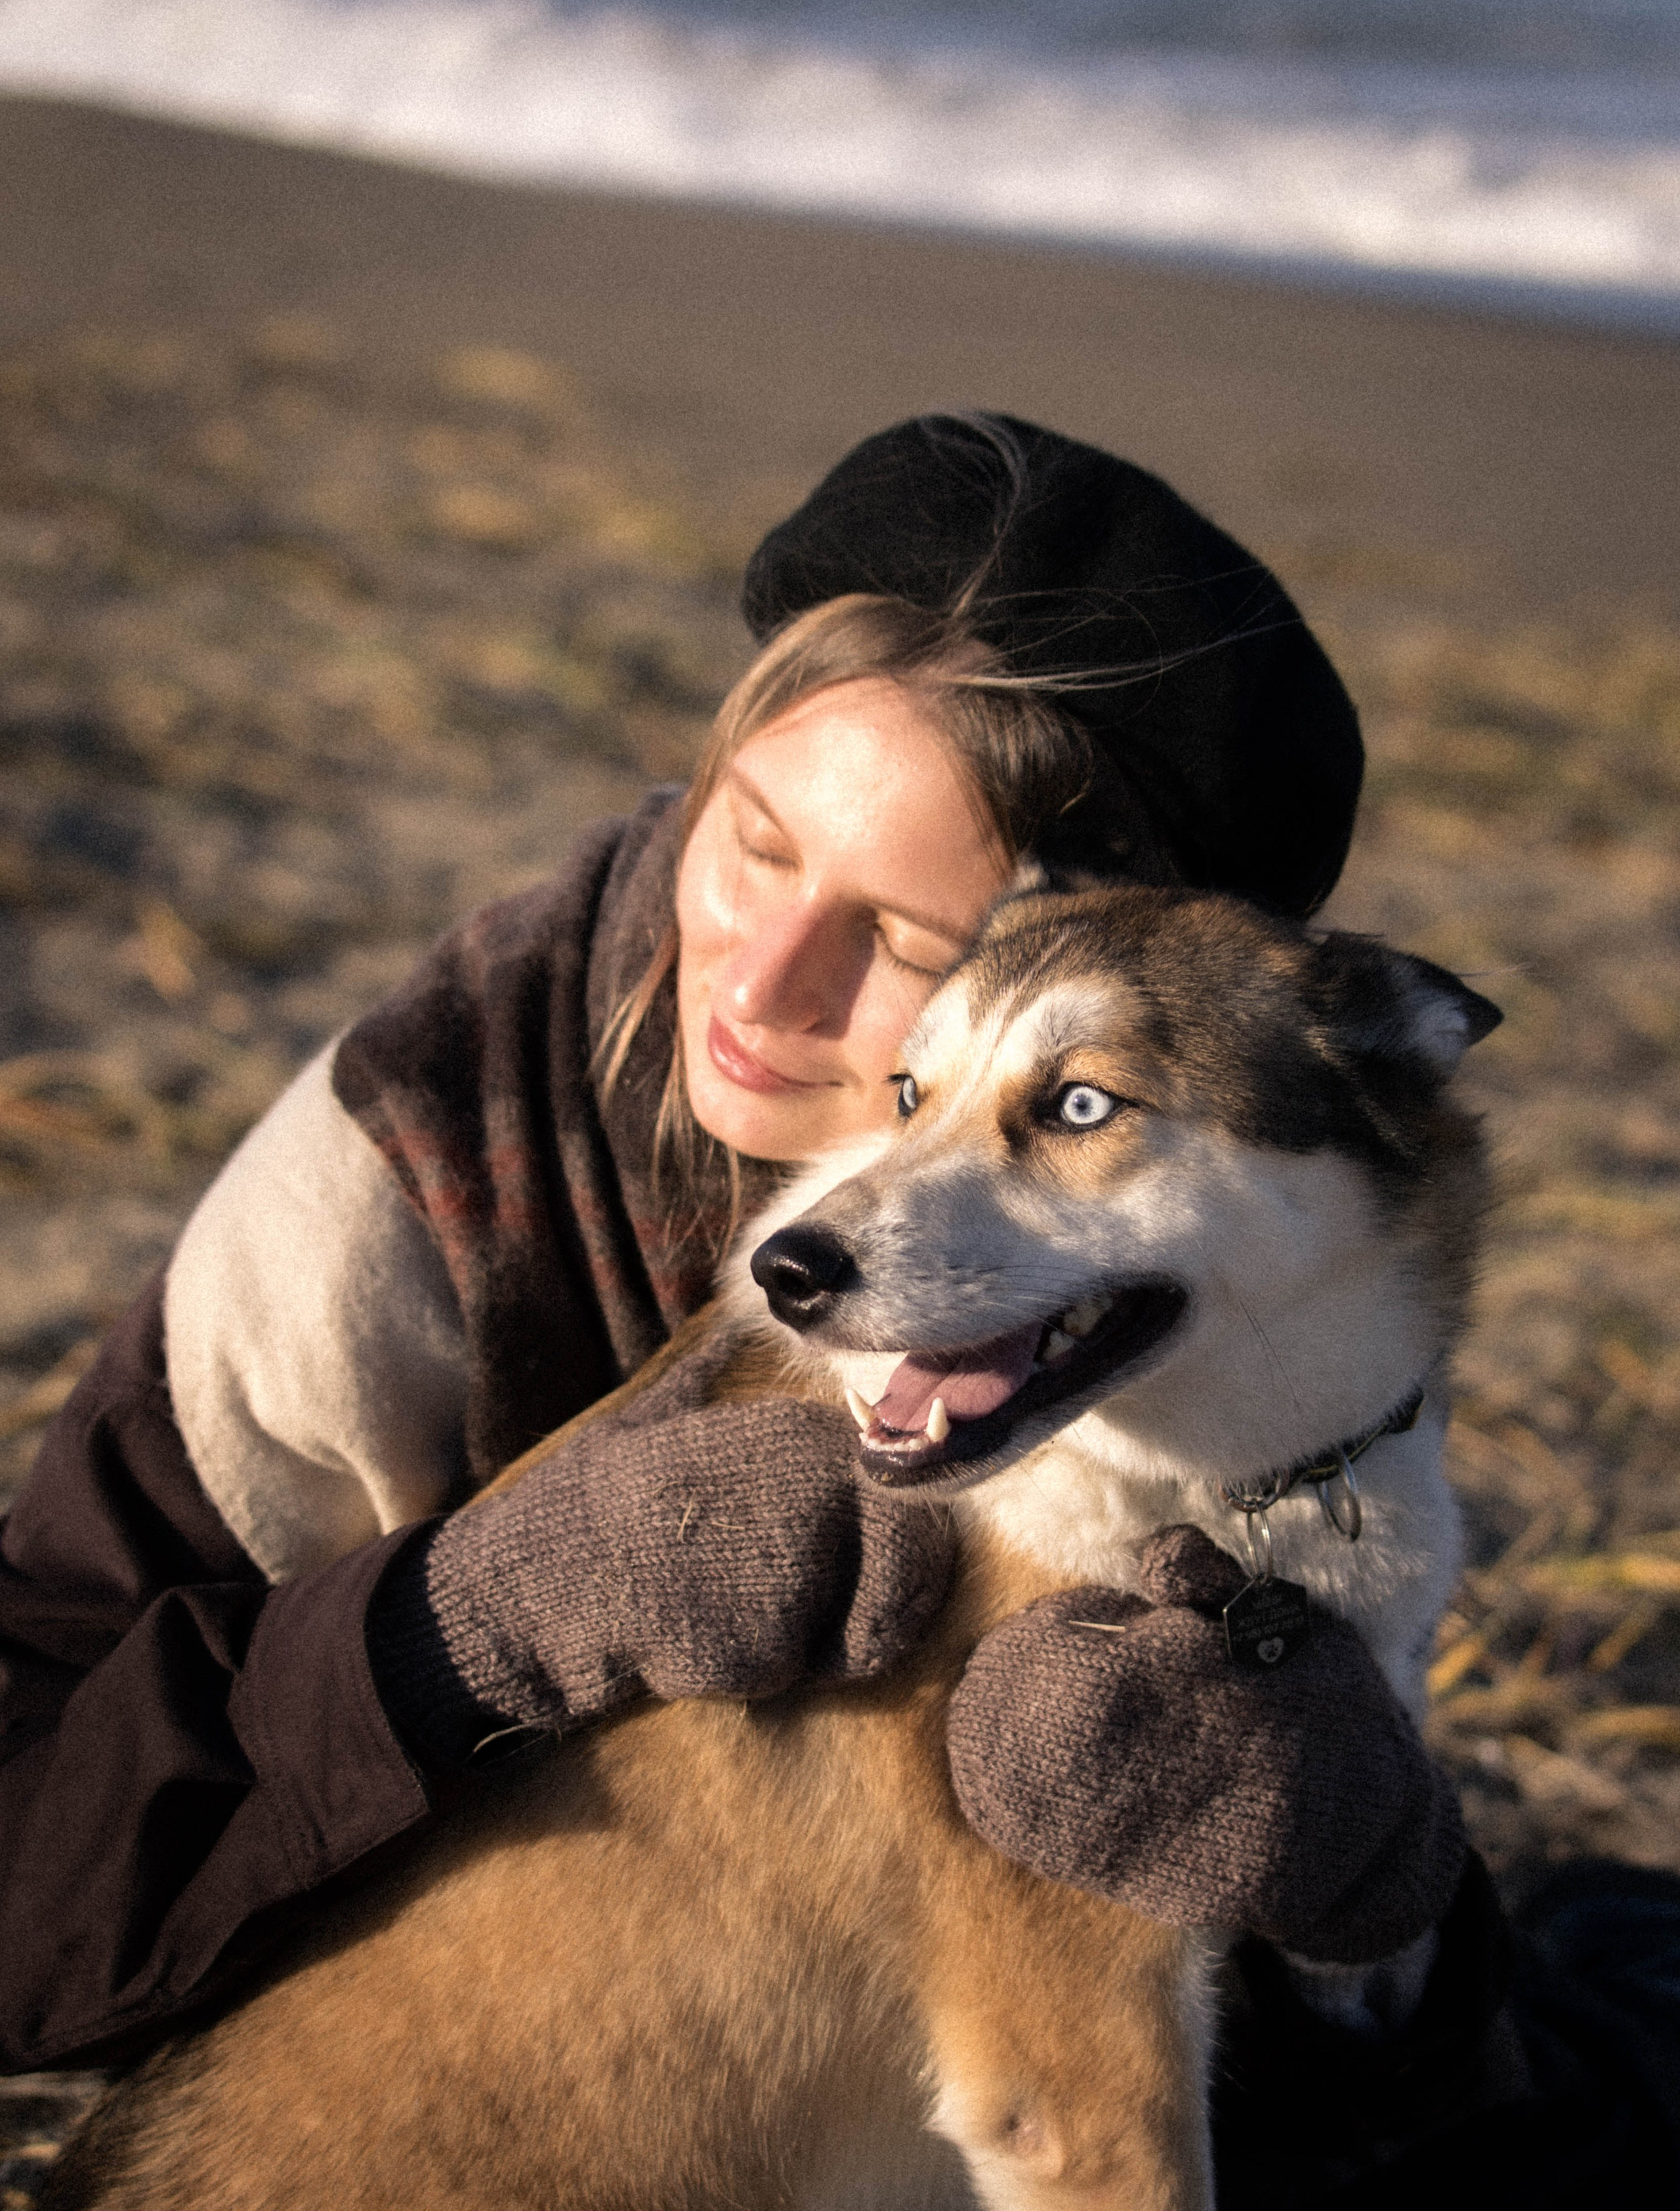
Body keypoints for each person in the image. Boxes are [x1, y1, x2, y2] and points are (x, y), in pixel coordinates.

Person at [1, 413, 1675, 2204]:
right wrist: (468, 1621)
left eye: (899, 938)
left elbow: (1186, 2042)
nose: (764, 980)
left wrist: (1370, 1890)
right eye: (754, 838)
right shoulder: (424, 1148)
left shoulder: (1183, 1301)